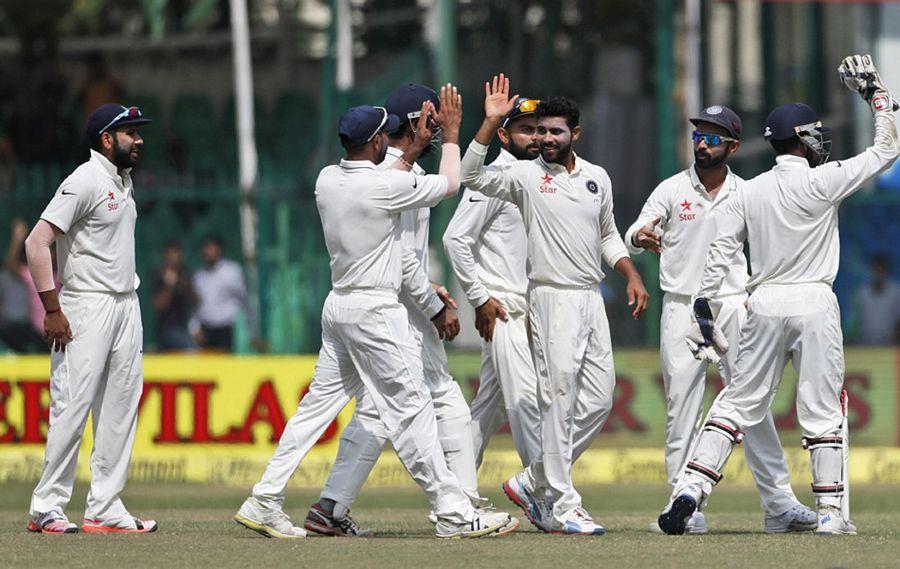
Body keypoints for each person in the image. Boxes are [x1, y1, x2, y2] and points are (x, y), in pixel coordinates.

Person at [234, 104, 512, 539]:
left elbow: (390, 176)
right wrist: (453, 134)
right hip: (376, 313)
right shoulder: (386, 185)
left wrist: (415, 147)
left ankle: (263, 499)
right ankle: (454, 512)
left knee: (314, 410)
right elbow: (452, 183)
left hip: (339, 306)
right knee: (413, 411)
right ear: (377, 141)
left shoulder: (327, 179)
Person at [658, 54, 900, 536]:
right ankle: (830, 514)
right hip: (813, 300)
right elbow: (886, 148)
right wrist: (875, 93)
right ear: (806, 138)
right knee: (822, 408)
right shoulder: (823, 180)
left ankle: (689, 491)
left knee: (736, 404)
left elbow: (721, 249)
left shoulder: (749, 190)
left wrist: (703, 308)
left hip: (762, 302)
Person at [461, 76, 650, 535]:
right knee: (558, 400)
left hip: (590, 299)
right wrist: (488, 124)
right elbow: (469, 176)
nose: (545, 139)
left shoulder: (595, 178)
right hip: (549, 297)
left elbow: (607, 235)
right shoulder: (524, 177)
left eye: (555, 132)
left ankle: (535, 478)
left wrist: (631, 273)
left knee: (599, 399)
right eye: (540, 131)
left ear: (575, 135)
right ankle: (563, 503)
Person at [625, 106, 815, 535]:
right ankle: (682, 504)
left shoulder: (746, 192)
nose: (702, 144)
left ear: (732, 146)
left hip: (733, 307)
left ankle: (779, 504)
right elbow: (634, 232)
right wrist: (640, 235)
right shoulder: (672, 189)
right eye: (698, 137)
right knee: (682, 409)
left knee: (752, 408)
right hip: (681, 306)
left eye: (712, 138)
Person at [24, 103, 157, 534]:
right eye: (130, 133)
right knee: (72, 404)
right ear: (106, 139)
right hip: (85, 305)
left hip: (124, 303)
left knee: (120, 406)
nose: (138, 140)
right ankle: (46, 506)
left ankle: (104, 505)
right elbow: (36, 243)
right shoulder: (84, 180)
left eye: (138, 132)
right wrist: (52, 308)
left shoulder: (123, 179)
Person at [442, 97, 542, 470]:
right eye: (525, 130)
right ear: (503, 135)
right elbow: (454, 239)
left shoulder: (536, 178)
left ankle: (455, 491)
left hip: (531, 308)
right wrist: (480, 298)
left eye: (538, 130)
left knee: (489, 406)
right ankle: (545, 493)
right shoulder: (492, 178)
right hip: (502, 309)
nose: (535, 138)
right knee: (525, 400)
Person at [191, 236, 251, 352]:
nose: (209, 252)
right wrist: (194, 327)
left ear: (219, 250)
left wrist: (250, 330)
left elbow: (244, 300)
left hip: (225, 330)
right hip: (205, 330)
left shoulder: (231, 272)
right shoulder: (199, 276)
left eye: (212, 247)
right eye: (206, 248)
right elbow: (195, 306)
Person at [0, 219, 45, 353]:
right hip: (26, 327)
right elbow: (11, 265)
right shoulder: (30, 274)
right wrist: (17, 238)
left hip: (44, 331)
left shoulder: (61, 274)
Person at [152, 242, 196, 351]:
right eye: (170, 254)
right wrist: (169, 287)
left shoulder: (185, 274)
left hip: (185, 325)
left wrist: (184, 285)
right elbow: (158, 306)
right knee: (190, 348)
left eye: (175, 253)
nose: (173, 257)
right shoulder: (159, 275)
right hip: (166, 328)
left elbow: (196, 301)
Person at [852, 253, 900, 344]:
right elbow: (854, 323)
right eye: (876, 270)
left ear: (887, 272)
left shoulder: (896, 292)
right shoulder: (862, 293)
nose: (879, 274)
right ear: (871, 271)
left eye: (881, 270)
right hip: (864, 345)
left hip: (890, 345)